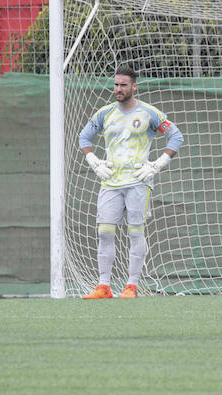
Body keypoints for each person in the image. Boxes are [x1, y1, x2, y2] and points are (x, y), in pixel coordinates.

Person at [79, 66, 184, 299]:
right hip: (110, 182)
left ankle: (131, 287)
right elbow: (84, 137)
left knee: (135, 233)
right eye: (116, 85)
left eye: (123, 85)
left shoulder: (149, 113)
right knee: (104, 232)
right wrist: (94, 161)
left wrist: (157, 164)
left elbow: (176, 136)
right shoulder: (104, 113)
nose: (118, 89)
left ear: (134, 86)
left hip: (138, 182)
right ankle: (103, 286)